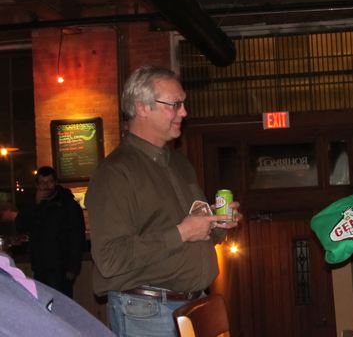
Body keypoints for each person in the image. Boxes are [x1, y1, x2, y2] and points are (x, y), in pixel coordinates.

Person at [86, 66, 242, 337]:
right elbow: (110, 258)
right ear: (142, 108)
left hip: (192, 305)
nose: (184, 112)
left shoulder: (178, 163)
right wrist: (181, 232)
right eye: (175, 104)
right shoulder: (115, 173)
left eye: (183, 104)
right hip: (146, 312)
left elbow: (192, 232)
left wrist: (216, 224)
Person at [0, 250, 115, 336]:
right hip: (42, 266)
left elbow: (74, 234)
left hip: (58, 266)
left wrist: (73, 267)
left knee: (61, 312)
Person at [15, 166, 85, 298]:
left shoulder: (68, 204)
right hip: (40, 267)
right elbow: (21, 226)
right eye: (42, 182)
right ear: (37, 185)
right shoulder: (35, 204)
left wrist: (73, 268)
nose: (46, 186)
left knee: (61, 307)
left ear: (56, 183)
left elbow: (77, 236)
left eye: (49, 182)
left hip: (61, 268)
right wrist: (36, 204)